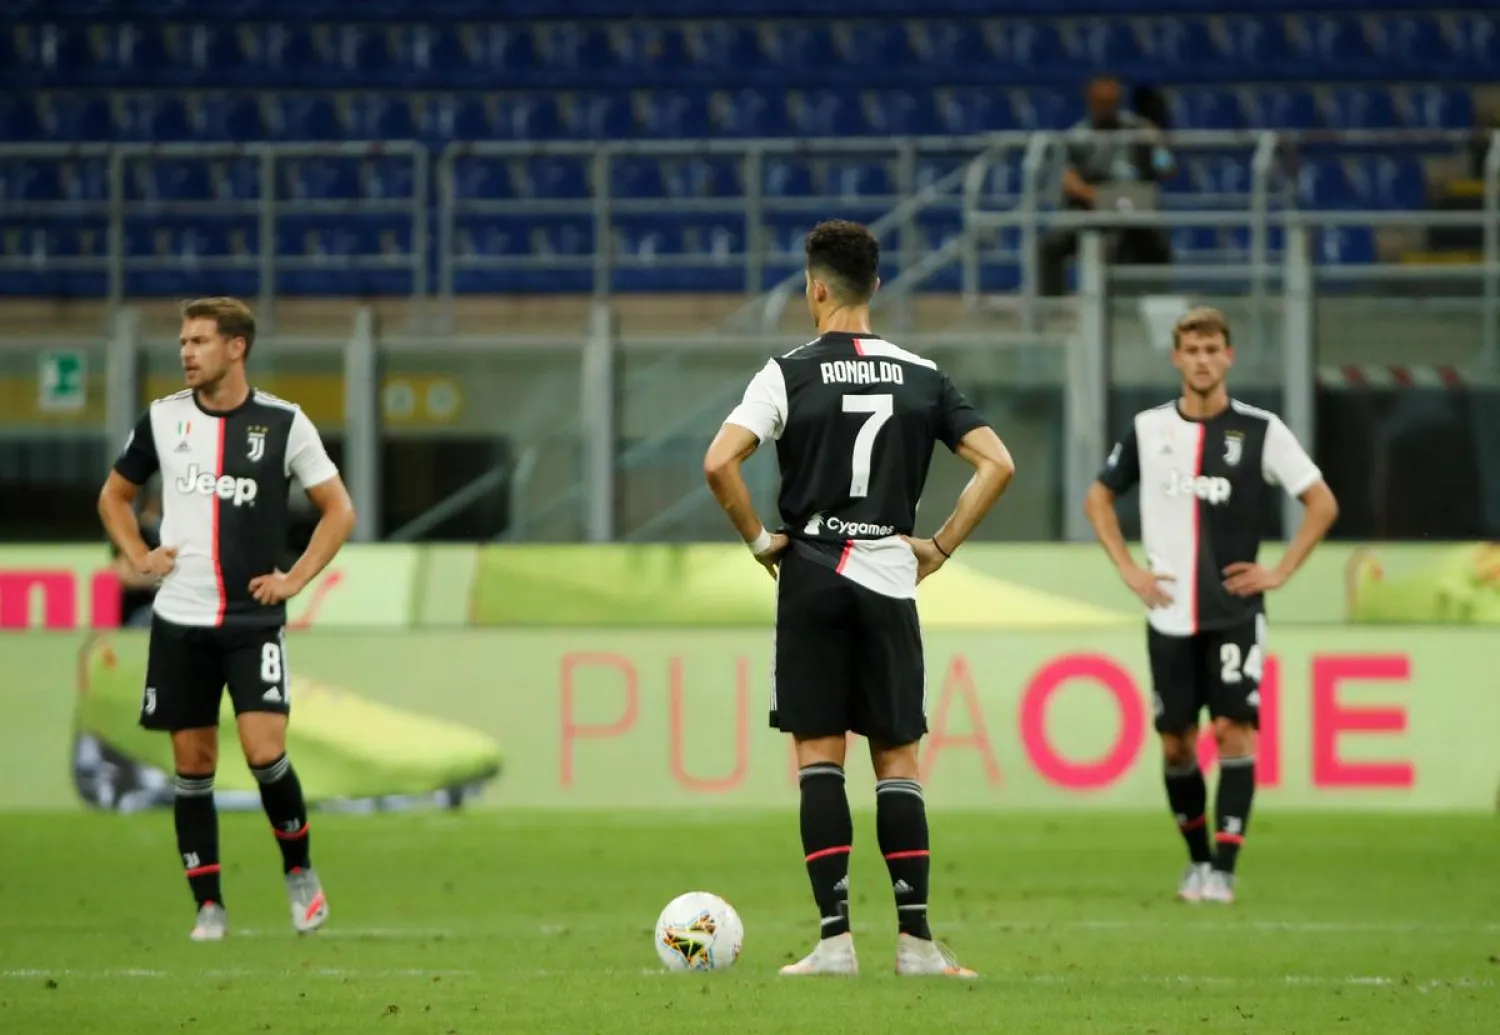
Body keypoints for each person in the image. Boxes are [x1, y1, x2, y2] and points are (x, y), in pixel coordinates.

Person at [703, 221, 1015, 977]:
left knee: (820, 758)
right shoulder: (922, 374)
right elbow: (997, 464)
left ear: (814, 288)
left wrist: (761, 541)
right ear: (875, 286)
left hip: (811, 572)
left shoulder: (787, 373)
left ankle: (835, 943)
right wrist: (939, 545)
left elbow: (719, 463)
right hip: (888, 574)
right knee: (897, 759)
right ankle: (916, 944)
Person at [98, 297, 357, 941]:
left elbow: (339, 510)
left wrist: (295, 578)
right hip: (179, 623)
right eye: (183, 342)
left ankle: (299, 873)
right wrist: (137, 555)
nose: (186, 353)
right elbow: (114, 496)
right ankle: (208, 907)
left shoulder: (284, 422)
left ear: (236, 348)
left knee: (266, 753)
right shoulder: (163, 418)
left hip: (251, 621)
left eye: (200, 341)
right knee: (193, 765)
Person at [1082, 307, 1339, 905]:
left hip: (1234, 612)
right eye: (1192, 350)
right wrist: (1128, 569)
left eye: (1212, 349)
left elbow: (1321, 502)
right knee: (1176, 742)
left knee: (1232, 731)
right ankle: (1197, 861)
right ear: (1177, 358)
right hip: (1169, 612)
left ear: (1229, 356)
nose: (1202, 360)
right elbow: (1099, 498)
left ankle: (1223, 869)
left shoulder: (1260, 430)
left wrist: (1279, 571)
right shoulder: (1148, 429)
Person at [1039, 74, 1174, 296]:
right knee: (1051, 244)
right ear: (1091, 102)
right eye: (1101, 102)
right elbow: (1068, 180)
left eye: (1112, 102)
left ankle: (1154, 298)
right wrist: (1095, 197)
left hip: (1131, 202)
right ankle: (1052, 304)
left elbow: (1166, 168)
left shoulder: (1137, 129)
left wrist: (1159, 146)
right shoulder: (1078, 136)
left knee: (1156, 241)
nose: (1106, 108)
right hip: (1090, 205)